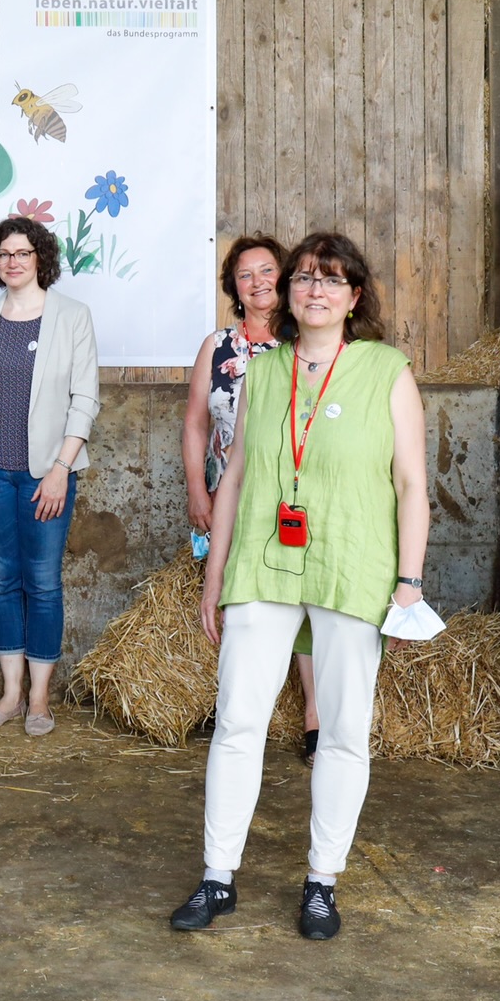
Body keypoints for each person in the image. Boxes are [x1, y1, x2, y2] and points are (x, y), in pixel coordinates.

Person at [172, 233, 430, 942]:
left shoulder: (385, 370)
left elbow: (412, 484)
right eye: (305, 279)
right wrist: (215, 577)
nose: (315, 290)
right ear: (287, 294)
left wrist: (409, 582)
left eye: (332, 281)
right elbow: (238, 481)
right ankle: (218, 876)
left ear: (354, 298)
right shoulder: (263, 369)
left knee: (345, 732)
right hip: (262, 561)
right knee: (237, 723)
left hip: (354, 564)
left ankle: (322, 880)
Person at [0, 216, 101, 736]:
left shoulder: (72, 316)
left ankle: (40, 698)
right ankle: (11, 693)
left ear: (40, 258)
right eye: (4, 254)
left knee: (42, 584)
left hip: (48, 476)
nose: (13, 261)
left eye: (22, 252)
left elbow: (84, 399)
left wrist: (62, 469)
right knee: (3, 582)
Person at [184, 234, 318, 755]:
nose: (258, 282)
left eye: (267, 271)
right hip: (230, 493)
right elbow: (196, 422)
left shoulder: (305, 337)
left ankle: (313, 713)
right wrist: (199, 488)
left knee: (303, 596)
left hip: (292, 494)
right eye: (246, 275)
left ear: (284, 279)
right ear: (233, 288)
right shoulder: (218, 346)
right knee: (241, 594)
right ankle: (240, 713)